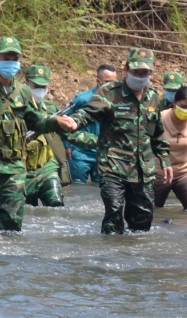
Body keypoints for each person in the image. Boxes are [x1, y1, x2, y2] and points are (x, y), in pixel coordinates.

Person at [0, 36, 77, 230]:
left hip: (13, 169)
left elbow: (35, 120)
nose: (11, 62)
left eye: (15, 58)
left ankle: (7, 260)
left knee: (12, 226)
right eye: (6, 57)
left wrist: (56, 121)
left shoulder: (23, 92)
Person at [68, 47, 173, 234]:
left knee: (143, 219)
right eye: (136, 72)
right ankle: (110, 257)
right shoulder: (109, 92)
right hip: (113, 167)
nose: (140, 76)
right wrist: (73, 122)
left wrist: (164, 160)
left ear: (151, 72)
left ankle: (135, 258)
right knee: (114, 213)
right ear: (126, 70)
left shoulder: (153, 97)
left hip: (143, 170)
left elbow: (157, 133)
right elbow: (87, 114)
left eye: (145, 72)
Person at [22, 64, 69, 207]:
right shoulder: (16, 108)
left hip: (47, 168)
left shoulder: (51, 108)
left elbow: (68, 134)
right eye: (35, 85)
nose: (39, 90)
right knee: (26, 212)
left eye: (43, 86)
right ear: (26, 84)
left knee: (56, 205)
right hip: (21, 172)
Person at [65, 64, 117, 184]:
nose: (111, 86)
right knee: (77, 189)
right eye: (107, 82)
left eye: (114, 82)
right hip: (81, 153)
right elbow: (65, 120)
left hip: (104, 155)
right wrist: (67, 145)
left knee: (102, 191)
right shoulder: (83, 99)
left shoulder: (117, 102)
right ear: (98, 81)